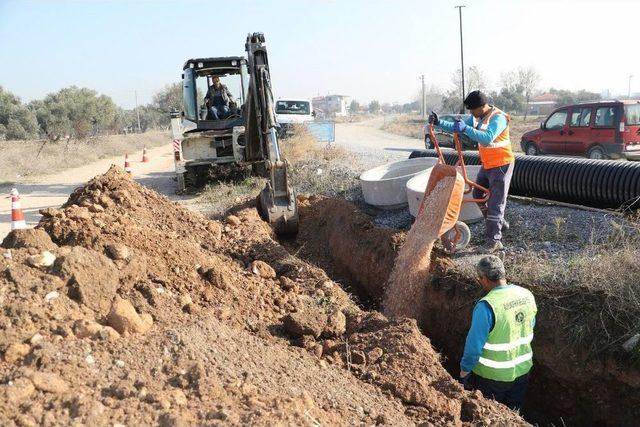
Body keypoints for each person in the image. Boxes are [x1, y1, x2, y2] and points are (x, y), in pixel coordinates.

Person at [429, 90, 514, 253]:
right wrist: (439, 122)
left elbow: (487, 138)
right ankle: (498, 224)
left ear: (482, 106)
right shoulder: (479, 117)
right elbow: (458, 127)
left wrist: (466, 129)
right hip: (488, 164)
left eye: (472, 110)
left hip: (502, 165)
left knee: (496, 203)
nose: (471, 113)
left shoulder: (499, 118)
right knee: (477, 195)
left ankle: (494, 241)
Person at [459, 255, 537, 411]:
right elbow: (529, 326)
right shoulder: (526, 295)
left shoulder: (487, 306)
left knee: (490, 416)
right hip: (522, 372)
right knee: (511, 417)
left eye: (479, 279)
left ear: (484, 279)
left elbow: (474, 346)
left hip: (492, 378)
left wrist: (464, 371)